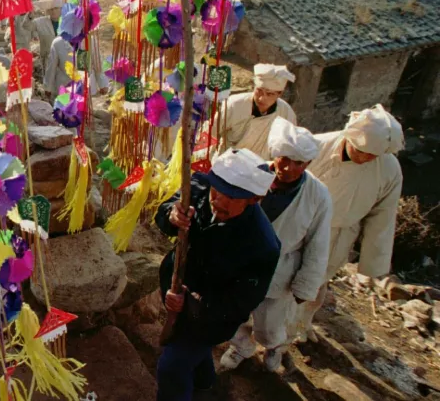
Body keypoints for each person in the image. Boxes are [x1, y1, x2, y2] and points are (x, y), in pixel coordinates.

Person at [155, 148, 281, 401]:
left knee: (171, 367)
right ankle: (204, 383)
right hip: (176, 289)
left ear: (253, 199)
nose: (218, 200)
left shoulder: (262, 245)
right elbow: (164, 213)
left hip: (209, 319)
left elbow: (239, 302)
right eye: (217, 191)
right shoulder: (199, 187)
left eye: (231, 197)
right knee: (194, 355)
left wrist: (190, 302)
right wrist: (173, 215)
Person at [220, 118, 332, 372]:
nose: (289, 168)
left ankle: (275, 348)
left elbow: (318, 243)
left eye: (299, 163)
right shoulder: (251, 174)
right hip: (242, 262)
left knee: (271, 324)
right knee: (234, 312)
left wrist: (306, 284)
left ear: (308, 164)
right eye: (284, 159)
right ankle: (240, 347)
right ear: (275, 154)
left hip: (280, 270)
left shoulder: (319, 195)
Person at [296, 104, 404, 342]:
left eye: (373, 156)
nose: (367, 159)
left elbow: (383, 215)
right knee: (286, 278)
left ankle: (302, 323)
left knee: (317, 282)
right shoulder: (317, 146)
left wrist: (373, 264)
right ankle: (272, 328)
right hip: (300, 224)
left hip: (339, 234)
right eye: (362, 152)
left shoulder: (389, 168)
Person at [213, 64, 297, 160]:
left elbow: (288, 148)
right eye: (259, 91)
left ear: (279, 94)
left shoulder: (286, 114)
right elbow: (210, 134)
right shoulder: (234, 104)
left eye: (270, 94)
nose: (262, 98)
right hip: (227, 162)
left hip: (261, 168)